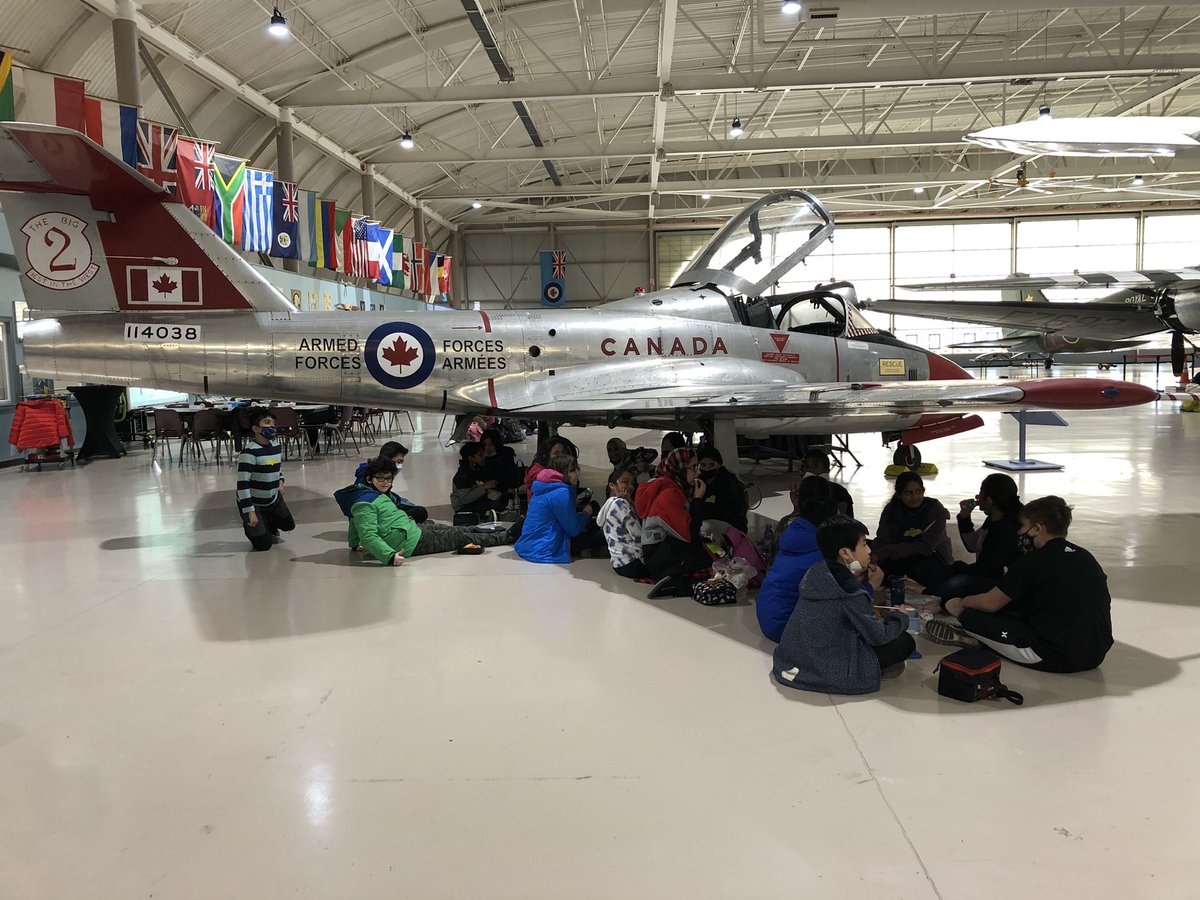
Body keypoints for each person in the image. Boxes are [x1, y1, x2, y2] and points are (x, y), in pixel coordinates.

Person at [936, 496, 1113, 673]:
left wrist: (963, 602)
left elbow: (990, 603)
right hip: (1095, 654)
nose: (1020, 533)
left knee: (969, 614)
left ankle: (977, 637)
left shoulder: (1032, 562)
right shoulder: (1086, 557)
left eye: (1022, 526)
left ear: (1036, 529)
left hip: (1051, 655)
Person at [772, 516, 915, 694]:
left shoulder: (817, 572)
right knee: (905, 642)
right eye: (863, 544)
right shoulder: (850, 591)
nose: (869, 550)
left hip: (795, 659)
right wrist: (901, 616)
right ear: (845, 553)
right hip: (830, 670)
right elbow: (878, 636)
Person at [348, 458, 510, 565]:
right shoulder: (365, 503)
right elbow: (368, 535)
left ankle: (500, 530)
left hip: (413, 530)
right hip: (411, 542)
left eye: (389, 479)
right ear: (370, 479)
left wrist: (354, 544)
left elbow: (354, 522)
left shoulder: (371, 495)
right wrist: (389, 557)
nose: (385, 483)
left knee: (457, 530)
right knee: (462, 537)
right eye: (380, 478)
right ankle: (509, 536)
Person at [756, 496, 842, 642]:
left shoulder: (794, 537)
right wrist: (869, 586)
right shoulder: (820, 555)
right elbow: (844, 597)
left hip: (768, 618)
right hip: (786, 629)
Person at [926, 473, 1021, 601]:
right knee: (930, 568)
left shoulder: (1009, 529)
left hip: (1001, 584)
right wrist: (965, 518)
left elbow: (984, 570)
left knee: (960, 582)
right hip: (984, 573)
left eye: (981, 492)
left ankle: (929, 597)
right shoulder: (994, 518)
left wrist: (958, 569)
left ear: (989, 500)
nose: (978, 497)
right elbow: (973, 545)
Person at [635, 447, 712, 597]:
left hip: (664, 551)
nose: (699, 472)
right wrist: (697, 500)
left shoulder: (676, 487)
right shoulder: (668, 494)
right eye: (694, 467)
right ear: (681, 469)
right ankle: (672, 579)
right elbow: (688, 534)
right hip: (661, 560)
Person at [871, 471, 954, 588]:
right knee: (867, 551)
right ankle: (898, 579)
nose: (915, 497)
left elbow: (926, 547)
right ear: (899, 495)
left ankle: (897, 579)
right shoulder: (891, 510)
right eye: (908, 493)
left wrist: (885, 552)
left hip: (930, 557)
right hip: (899, 555)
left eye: (918, 492)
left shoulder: (935, 510)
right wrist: (872, 555)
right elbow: (883, 539)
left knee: (923, 567)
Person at [515, 453, 600, 564]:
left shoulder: (544, 486)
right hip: (546, 548)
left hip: (530, 545)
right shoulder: (561, 493)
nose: (577, 473)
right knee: (600, 532)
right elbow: (573, 529)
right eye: (573, 470)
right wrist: (586, 514)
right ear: (563, 473)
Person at [235, 408, 295, 551]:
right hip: (254, 502)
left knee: (289, 525)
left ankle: (269, 520)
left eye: (273, 423)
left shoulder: (275, 447)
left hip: (272, 498)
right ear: (256, 428)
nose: (272, 427)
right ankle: (253, 523)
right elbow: (242, 485)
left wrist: (281, 481)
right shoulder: (249, 453)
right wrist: (250, 511)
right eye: (267, 423)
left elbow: (277, 468)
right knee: (263, 545)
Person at [352, 440, 427, 523]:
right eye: (398, 462)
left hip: (383, 512)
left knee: (419, 512)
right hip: (380, 519)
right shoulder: (368, 479)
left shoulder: (372, 472)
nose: (400, 466)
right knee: (419, 513)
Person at [597, 467, 647, 579]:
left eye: (632, 483)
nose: (630, 487)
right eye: (625, 482)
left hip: (618, 564)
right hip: (634, 563)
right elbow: (639, 537)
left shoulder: (608, 505)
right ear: (612, 485)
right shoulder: (621, 504)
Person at [694, 446, 749, 532]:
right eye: (703, 465)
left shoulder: (728, 483)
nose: (707, 469)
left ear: (719, 464)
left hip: (732, 526)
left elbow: (724, 512)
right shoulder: (699, 482)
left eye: (712, 465)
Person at [452, 441, 507, 518]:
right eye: (480, 455)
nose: (484, 456)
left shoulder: (477, 468)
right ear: (471, 458)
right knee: (496, 505)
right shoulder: (463, 475)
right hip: (463, 507)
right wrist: (483, 487)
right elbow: (464, 499)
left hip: (477, 500)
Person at [799, 449, 854, 517]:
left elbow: (841, 520)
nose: (809, 470)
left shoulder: (839, 491)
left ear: (826, 470)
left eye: (815, 466)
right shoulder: (803, 491)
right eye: (806, 466)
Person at [481, 427, 523, 497]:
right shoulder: (481, 457)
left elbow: (510, 476)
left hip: (504, 490)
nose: (487, 448)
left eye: (490, 445)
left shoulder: (505, 456)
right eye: (485, 444)